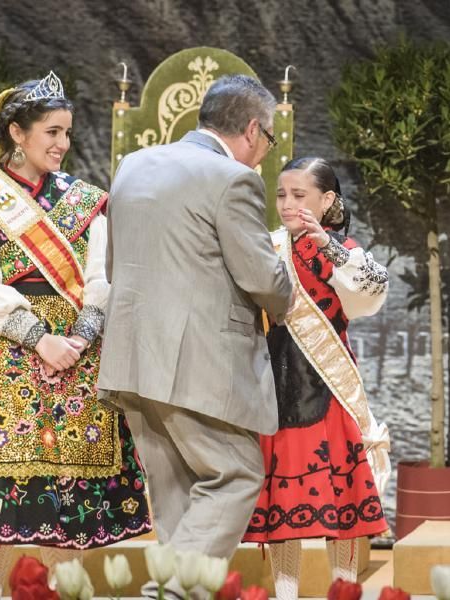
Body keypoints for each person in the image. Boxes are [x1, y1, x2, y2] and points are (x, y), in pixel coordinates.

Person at [0, 72, 152, 599]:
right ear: (17, 133)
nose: (63, 144)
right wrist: (41, 339)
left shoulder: (88, 201)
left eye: (67, 132)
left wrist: (82, 336)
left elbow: (101, 279)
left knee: (69, 492)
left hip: (77, 354)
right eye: (52, 132)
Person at [98, 74, 292, 598]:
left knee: (177, 494)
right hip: (199, 361)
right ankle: (172, 593)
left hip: (131, 355)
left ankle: (179, 591)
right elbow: (262, 279)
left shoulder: (133, 165)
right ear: (253, 129)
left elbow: (115, 264)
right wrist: (289, 278)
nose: (265, 151)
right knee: (235, 474)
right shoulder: (232, 179)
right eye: (269, 139)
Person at [242, 157, 390, 600]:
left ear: (326, 201)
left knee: (340, 504)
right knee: (284, 509)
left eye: (299, 195)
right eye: (282, 194)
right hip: (278, 386)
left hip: (329, 389)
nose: (287, 204)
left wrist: (326, 243)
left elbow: (371, 290)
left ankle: (343, 592)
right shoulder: (269, 245)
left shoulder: (344, 251)